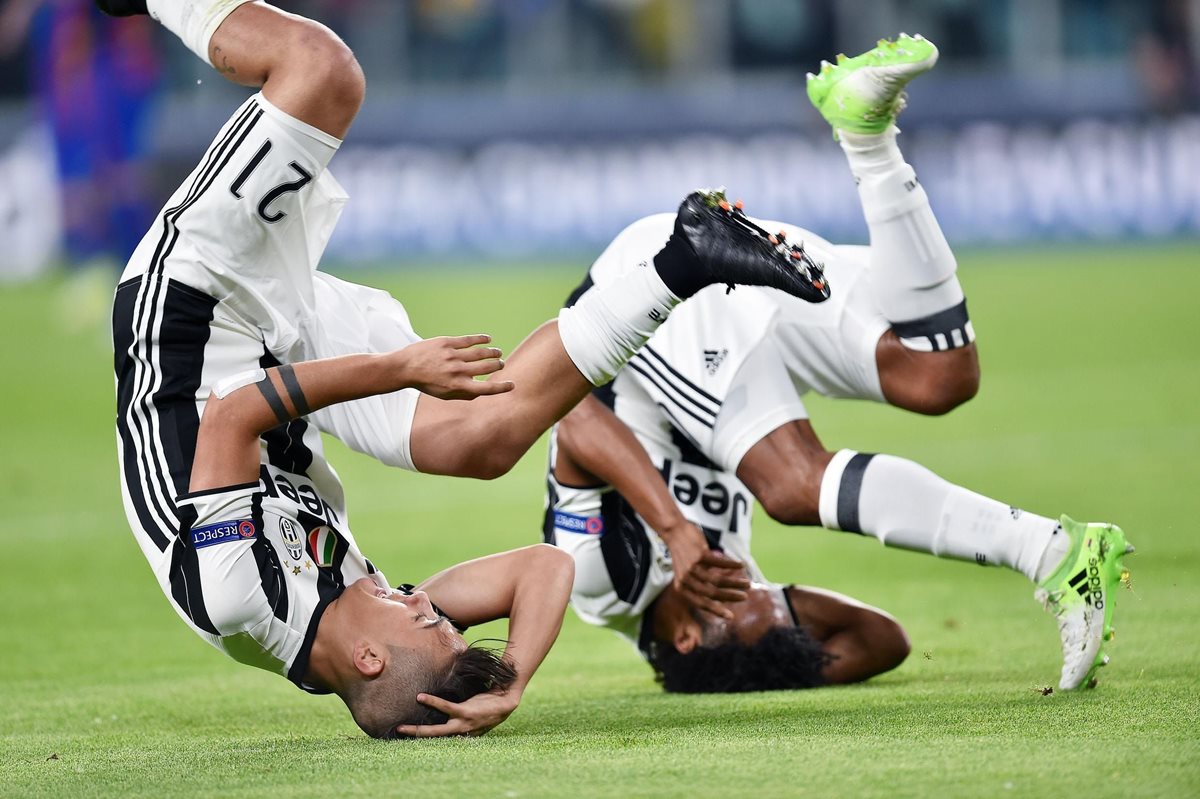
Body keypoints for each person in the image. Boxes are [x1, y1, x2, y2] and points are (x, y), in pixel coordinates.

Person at [101, 0, 826, 738]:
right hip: (280, 362)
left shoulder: (240, 600)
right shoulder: (374, 618)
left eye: (429, 625)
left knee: (322, 73)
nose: (429, 606)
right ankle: (687, 255)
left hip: (191, 315)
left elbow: (232, 415)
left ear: (370, 658)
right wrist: (509, 678)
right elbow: (545, 566)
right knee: (482, 442)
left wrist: (398, 367)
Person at [545, 35, 1134, 693]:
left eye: (749, 602)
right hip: (721, 317)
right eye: (770, 595)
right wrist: (770, 671)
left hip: (652, 289)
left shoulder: (605, 581)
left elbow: (572, 420)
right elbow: (884, 640)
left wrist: (675, 528)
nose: (756, 585)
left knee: (792, 487)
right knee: (938, 372)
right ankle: (867, 135)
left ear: (684, 634)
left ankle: (1051, 553)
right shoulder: (731, 601)